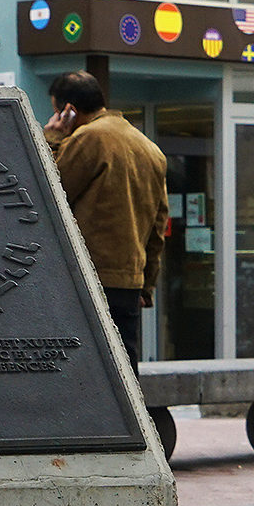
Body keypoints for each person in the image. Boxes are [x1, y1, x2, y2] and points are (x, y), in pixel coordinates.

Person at [43, 71, 168, 364]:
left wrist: (51, 137)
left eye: (56, 111)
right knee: (124, 368)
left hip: (88, 277)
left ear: (69, 110)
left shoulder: (88, 139)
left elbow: (50, 191)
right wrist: (146, 285)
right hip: (129, 282)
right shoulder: (149, 148)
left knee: (82, 369)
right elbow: (157, 227)